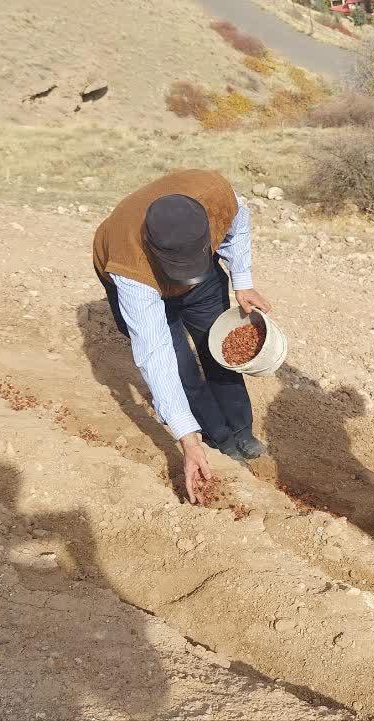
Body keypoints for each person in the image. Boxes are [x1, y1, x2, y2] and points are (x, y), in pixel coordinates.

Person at [92, 169, 272, 503]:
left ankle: (241, 429)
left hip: (203, 276)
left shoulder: (215, 195)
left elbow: (238, 224)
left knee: (219, 349)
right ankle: (215, 437)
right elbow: (155, 357)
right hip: (143, 280)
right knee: (179, 365)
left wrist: (242, 280)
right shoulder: (130, 265)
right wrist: (187, 442)